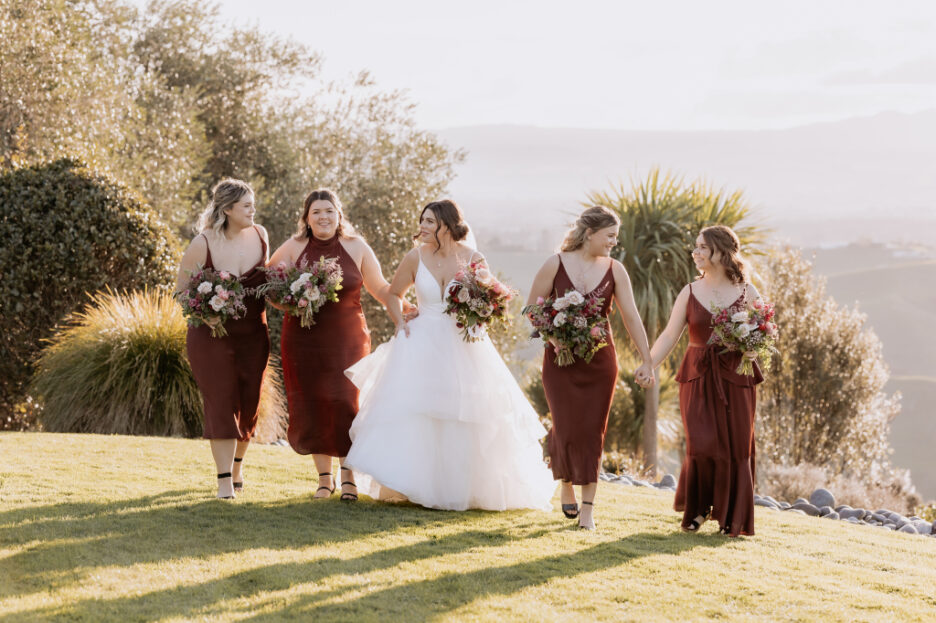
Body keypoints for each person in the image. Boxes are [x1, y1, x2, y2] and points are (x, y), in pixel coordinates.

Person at [343, 199, 556, 511]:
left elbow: (496, 301)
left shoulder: (473, 257)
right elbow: (392, 293)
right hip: (420, 341)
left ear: (448, 224)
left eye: (430, 221)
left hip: (463, 343)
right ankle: (413, 484)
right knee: (419, 412)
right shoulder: (415, 257)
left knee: (463, 413)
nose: (423, 227)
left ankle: (461, 487)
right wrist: (400, 321)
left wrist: (480, 313)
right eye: (423, 221)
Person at [527, 206, 655, 529]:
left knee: (592, 432)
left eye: (616, 236)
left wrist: (647, 359)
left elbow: (630, 317)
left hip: (600, 363)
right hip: (560, 360)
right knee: (565, 425)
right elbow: (532, 309)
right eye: (609, 235)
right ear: (589, 234)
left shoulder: (616, 271)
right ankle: (566, 482)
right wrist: (555, 338)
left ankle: (588, 510)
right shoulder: (554, 264)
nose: (614, 241)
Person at [269, 189, 398, 502]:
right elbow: (270, 288)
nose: (323, 217)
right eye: (316, 212)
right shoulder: (294, 246)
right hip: (303, 340)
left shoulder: (357, 247)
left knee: (346, 403)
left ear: (339, 215)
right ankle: (324, 481)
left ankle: (349, 477)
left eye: (329, 211)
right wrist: (293, 303)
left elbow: (380, 288)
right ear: (307, 218)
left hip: (347, 338)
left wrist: (404, 309)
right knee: (311, 403)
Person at [649, 225, 762, 536]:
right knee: (702, 442)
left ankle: (731, 518)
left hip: (736, 377)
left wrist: (752, 350)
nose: (695, 252)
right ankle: (699, 509)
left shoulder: (748, 293)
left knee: (736, 446)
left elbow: (765, 333)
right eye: (695, 247)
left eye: (702, 247)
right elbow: (671, 334)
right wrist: (649, 364)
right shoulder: (689, 291)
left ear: (721, 252)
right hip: (697, 375)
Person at [175, 178, 270, 499]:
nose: (252, 210)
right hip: (211, 337)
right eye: (246, 205)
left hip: (254, 336)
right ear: (228, 209)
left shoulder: (261, 235)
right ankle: (224, 482)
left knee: (249, 406)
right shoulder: (202, 243)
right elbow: (181, 292)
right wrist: (206, 313)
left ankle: (239, 467)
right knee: (220, 403)